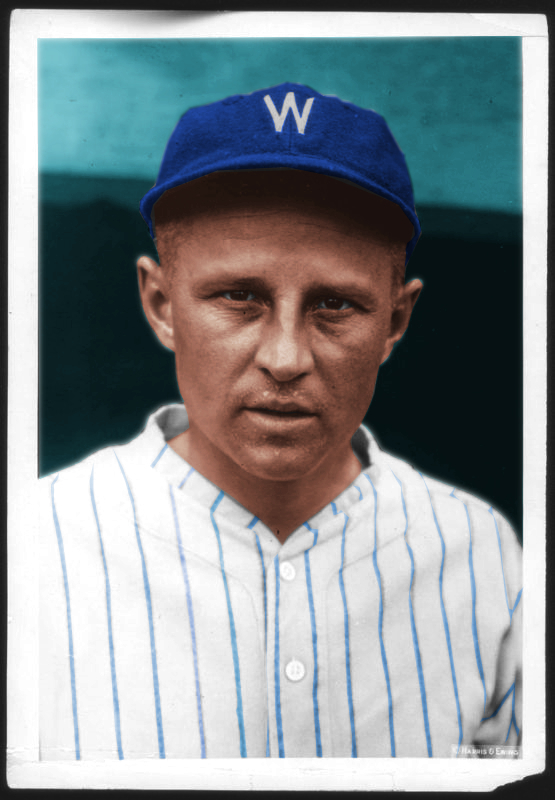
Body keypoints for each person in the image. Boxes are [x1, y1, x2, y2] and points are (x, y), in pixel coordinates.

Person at [39, 83, 522, 760]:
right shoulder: (36, 545)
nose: (287, 358)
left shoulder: (481, 552)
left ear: (395, 321)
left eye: (335, 305)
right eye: (239, 296)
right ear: (161, 304)